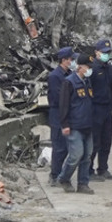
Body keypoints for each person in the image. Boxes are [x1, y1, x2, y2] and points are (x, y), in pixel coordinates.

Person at [56, 50, 95, 194]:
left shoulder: (87, 82)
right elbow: (64, 105)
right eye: (88, 67)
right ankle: (64, 178)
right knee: (76, 155)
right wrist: (64, 124)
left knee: (87, 156)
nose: (89, 69)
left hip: (87, 125)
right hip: (74, 126)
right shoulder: (69, 82)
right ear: (80, 67)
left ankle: (83, 184)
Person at [89, 38, 112, 181]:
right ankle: (88, 170)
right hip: (96, 109)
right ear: (96, 53)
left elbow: (110, 88)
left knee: (106, 140)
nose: (107, 55)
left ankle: (103, 168)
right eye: (104, 52)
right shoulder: (93, 69)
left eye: (108, 52)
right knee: (95, 142)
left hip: (107, 108)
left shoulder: (109, 68)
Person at [47, 47, 75, 186]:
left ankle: (60, 173)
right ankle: (54, 175)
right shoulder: (55, 77)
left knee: (67, 146)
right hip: (57, 114)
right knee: (59, 146)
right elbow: (58, 98)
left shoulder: (69, 74)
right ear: (64, 60)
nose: (73, 62)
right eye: (71, 59)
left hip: (67, 114)